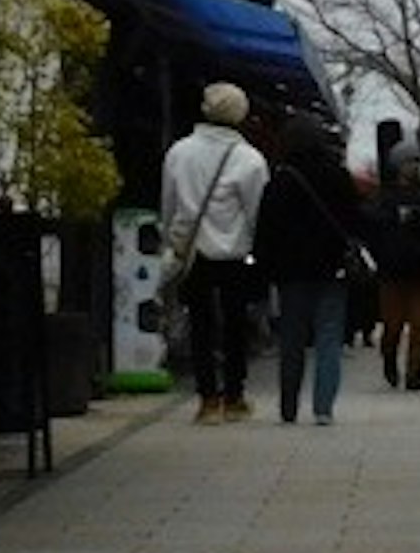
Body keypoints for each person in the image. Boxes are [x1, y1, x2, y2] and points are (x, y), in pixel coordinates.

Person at [157, 80, 271, 419]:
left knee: (200, 325)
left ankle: (207, 399)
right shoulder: (250, 159)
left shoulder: (179, 152)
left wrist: (170, 240)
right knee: (236, 325)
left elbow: (169, 203)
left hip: (192, 251)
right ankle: (234, 396)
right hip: (235, 253)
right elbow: (255, 212)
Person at [251, 102, 369, 425]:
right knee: (329, 336)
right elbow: (355, 221)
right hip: (333, 269)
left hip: (290, 272)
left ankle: (288, 406)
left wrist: (265, 268)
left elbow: (266, 229)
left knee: (291, 337)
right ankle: (323, 408)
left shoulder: (281, 180)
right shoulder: (338, 177)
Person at [364, 117, 420, 392]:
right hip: (393, 270)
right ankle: (389, 356)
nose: (415, 168)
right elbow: (373, 225)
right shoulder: (386, 199)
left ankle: (414, 373)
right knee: (393, 324)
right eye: (411, 163)